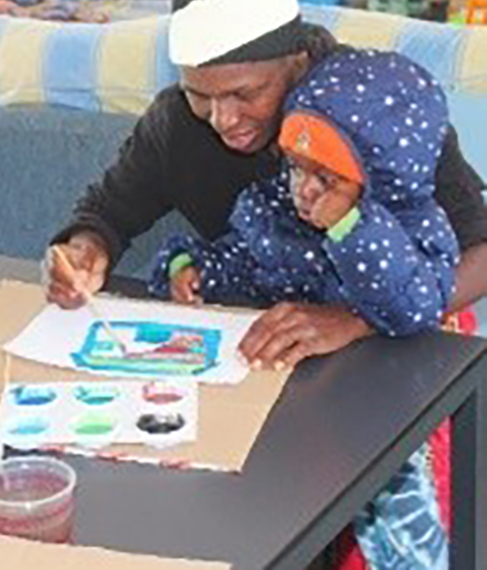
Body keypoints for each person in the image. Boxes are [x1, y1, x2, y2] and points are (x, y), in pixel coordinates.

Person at [45, 0, 487, 372]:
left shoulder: (373, 108)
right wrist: (84, 251)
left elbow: (481, 250)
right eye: (200, 95)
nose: (223, 119)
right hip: (252, 360)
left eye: (245, 93)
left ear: (296, 62)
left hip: (392, 357)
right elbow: (107, 214)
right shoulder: (176, 124)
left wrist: (358, 320)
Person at [148, 49, 453, 568]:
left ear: (380, 176)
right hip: (305, 386)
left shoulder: (414, 228)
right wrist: (191, 267)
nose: (304, 190)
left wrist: (351, 227)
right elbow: (245, 258)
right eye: (295, 167)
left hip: (395, 387)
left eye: (327, 178)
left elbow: (411, 305)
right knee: (277, 497)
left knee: (390, 501)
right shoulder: (278, 206)